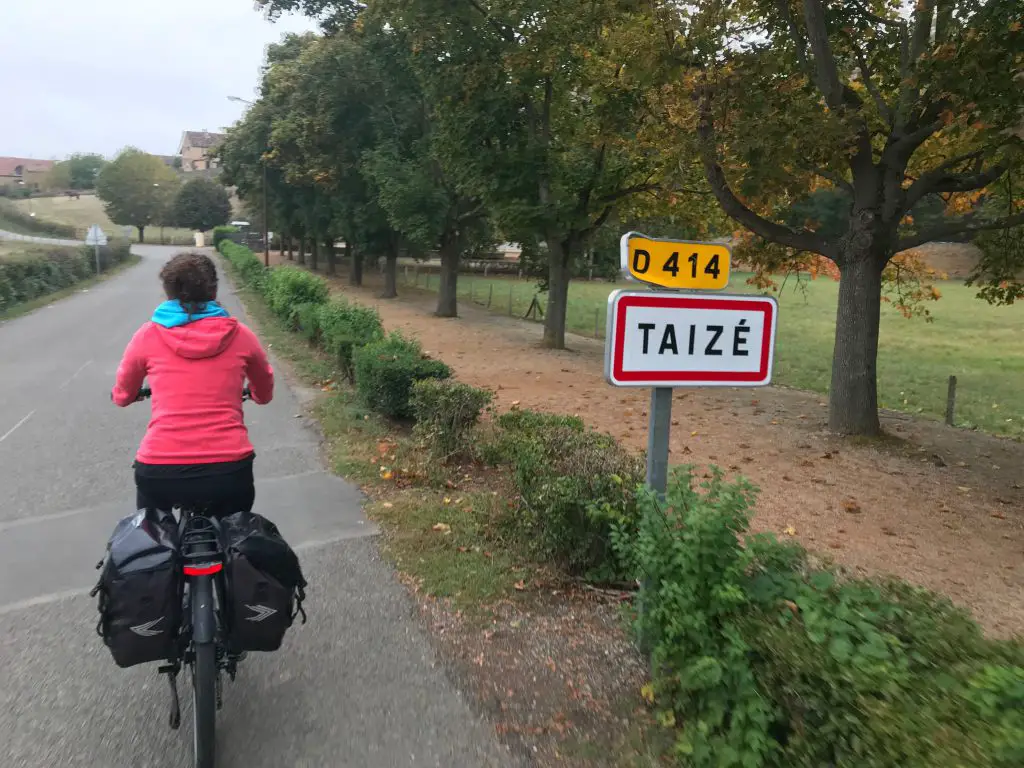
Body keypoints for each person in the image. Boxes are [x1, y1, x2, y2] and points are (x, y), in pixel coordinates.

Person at [112, 251, 274, 515]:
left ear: (168, 292)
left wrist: (124, 396)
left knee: (153, 538)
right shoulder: (240, 335)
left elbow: (123, 393)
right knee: (235, 534)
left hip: (160, 472)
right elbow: (264, 389)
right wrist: (256, 393)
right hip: (229, 470)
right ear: (213, 290)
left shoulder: (147, 336)